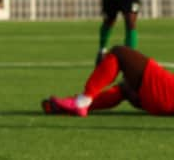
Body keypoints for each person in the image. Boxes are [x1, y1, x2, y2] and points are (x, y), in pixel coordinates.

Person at [42, 46, 174, 117]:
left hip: (166, 95)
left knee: (120, 53)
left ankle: (82, 101)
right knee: (126, 89)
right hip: (163, 101)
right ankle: (72, 107)